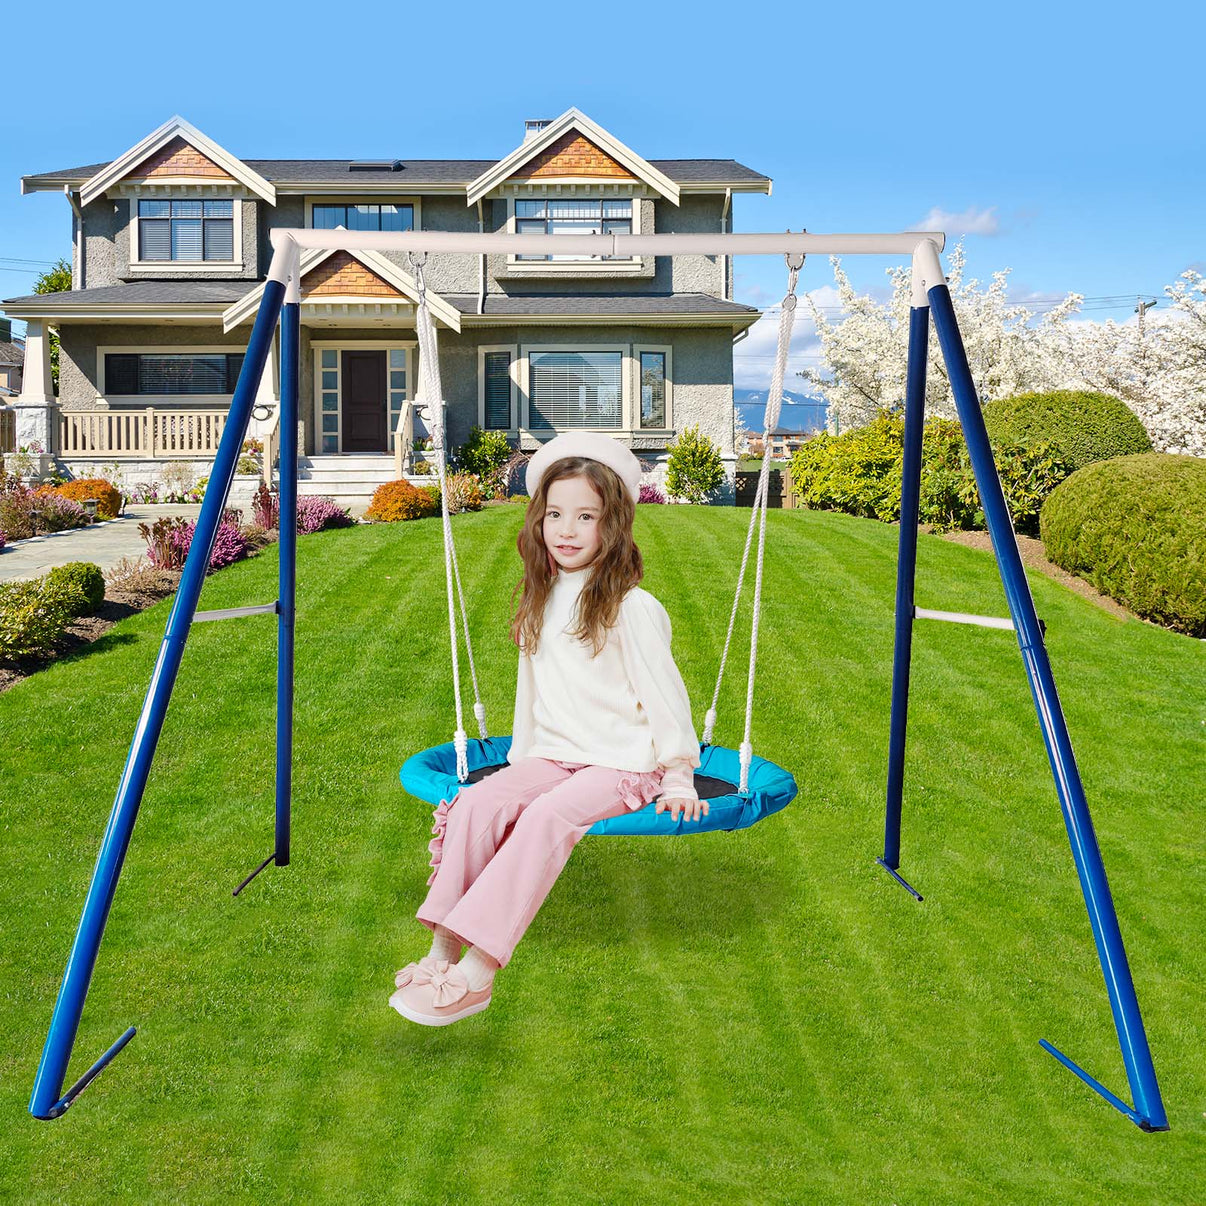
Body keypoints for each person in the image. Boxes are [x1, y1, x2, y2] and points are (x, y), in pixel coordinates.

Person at [390, 431, 706, 1027]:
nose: (566, 530)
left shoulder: (631, 607)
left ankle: (478, 974)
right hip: (555, 754)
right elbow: (534, 693)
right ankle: (441, 952)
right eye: (555, 515)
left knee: (544, 818)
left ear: (613, 526)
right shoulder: (542, 594)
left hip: (622, 762)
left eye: (585, 517)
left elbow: (666, 696)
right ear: (537, 520)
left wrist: (680, 774)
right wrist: (521, 764)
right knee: (477, 805)